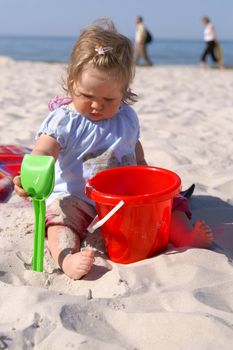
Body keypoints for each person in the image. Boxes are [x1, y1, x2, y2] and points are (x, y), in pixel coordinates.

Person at [13, 19, 213, 280]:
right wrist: (29, 178)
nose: (97, 105)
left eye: (109, 99)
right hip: (80, 199)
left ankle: (184, 235)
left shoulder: (126, 118)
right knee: (59, 217)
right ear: (72, 83)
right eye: (87, 96)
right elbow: (43, 152)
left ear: (124, 92)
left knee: (171, 202)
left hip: (124, 201)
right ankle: (67, 257)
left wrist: (149, 181)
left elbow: (136, 151)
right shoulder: (65, 120)